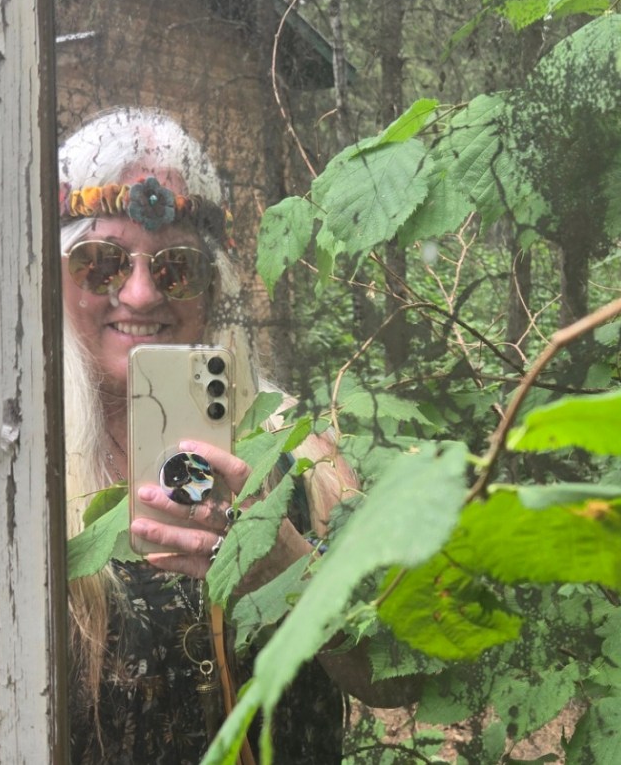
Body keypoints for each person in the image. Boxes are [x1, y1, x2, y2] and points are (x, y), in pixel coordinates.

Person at [61, 107, 404, 765]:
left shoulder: (299, 457)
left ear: (213, 288)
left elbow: (398, 678)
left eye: (177, 268)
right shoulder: (17, 473)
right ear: (54, 279)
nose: (141, 294)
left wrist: (290, 575)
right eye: (100, 264)